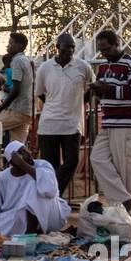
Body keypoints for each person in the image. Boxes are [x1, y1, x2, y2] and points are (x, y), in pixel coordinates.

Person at [87, 29, 131, 212]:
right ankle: (123, 200)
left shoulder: (130, 63)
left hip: (127, 122)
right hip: (109, 121)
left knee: (124, 170)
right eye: (101, 49)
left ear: (116, 44)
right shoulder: (103, 67)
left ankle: (124, 216)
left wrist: (107, 88)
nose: (103, 53)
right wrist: (98, 89)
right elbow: (106, 90)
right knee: (97, 158)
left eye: (106, 48)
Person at [36, 33, 93, 196]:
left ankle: (54, 194)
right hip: (49, 124)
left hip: (72, 124)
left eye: (72, 47)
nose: (69, 51)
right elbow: (40, 92)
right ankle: (52, 198)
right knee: (49, 165)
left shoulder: (83, 66)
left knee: (72, 162)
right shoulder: (45, 68)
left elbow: (92, 86)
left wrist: (82, 101)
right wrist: (54, 103)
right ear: (57, 48)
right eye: (65, 47)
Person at [0, 140, 70, 237]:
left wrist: (23, 165)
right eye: (22, 152)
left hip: (50, 213)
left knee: (34, 185)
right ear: (12, 161)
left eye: (26, 150)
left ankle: (30, 233)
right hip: (19, 216)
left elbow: (50, 191)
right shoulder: (2, 177)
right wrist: (3, 220)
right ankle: (28, 230)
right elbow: (1, 207)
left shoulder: (42, 165)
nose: (28, 154)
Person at [0, 32, 33, 145]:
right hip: (26, 111)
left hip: (17, 110)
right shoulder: (26, 60)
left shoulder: (17, 61)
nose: (7, 46)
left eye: (10, 43)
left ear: (20, 46)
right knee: (16, 147)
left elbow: (16, 90)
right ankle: (17, 163)